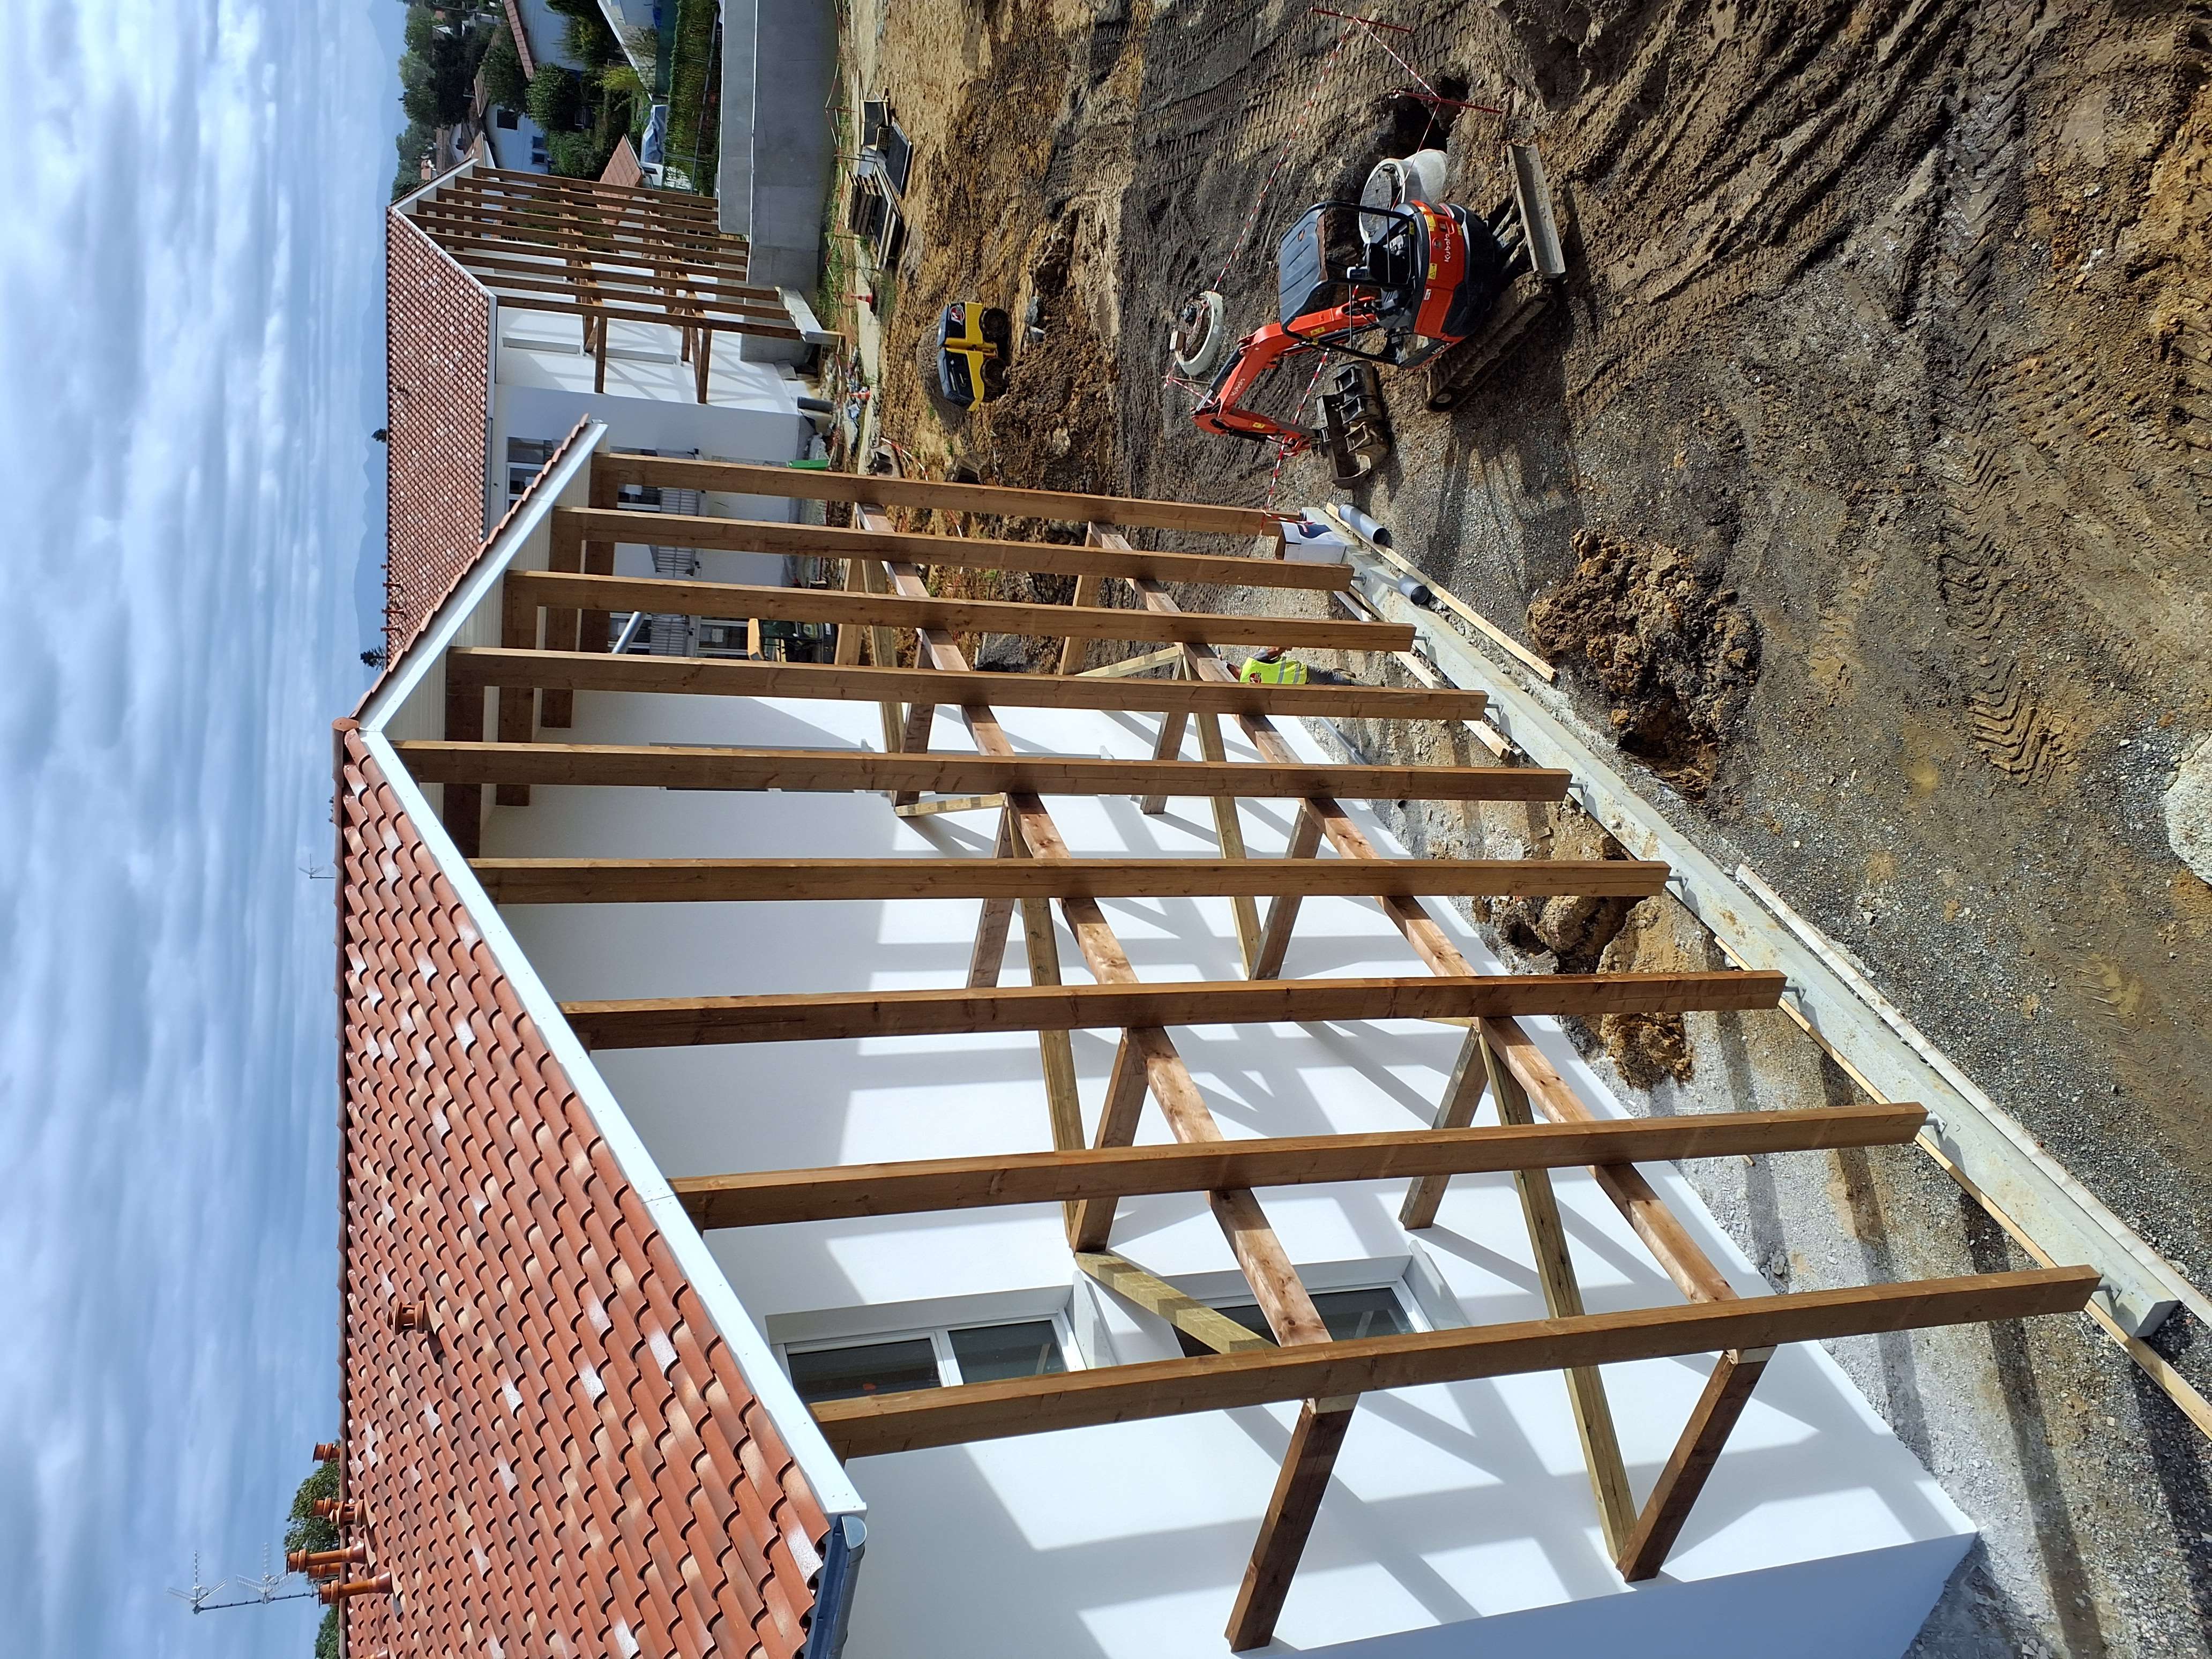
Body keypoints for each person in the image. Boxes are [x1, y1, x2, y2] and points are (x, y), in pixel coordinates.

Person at [1237, 647, 1310, 685]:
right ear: (1232, 668)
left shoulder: (1245, 689)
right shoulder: (1251, 663)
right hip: (1300, 674)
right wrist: (1288, 644)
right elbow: (1276, 651)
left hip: (1296, 693)